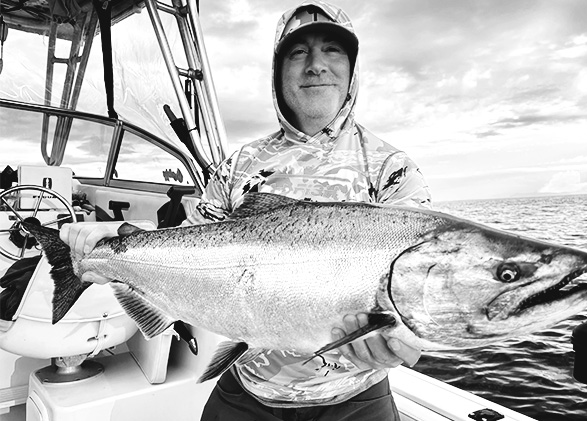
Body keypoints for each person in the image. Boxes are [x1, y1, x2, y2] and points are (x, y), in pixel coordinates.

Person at [61, 1, 432, 420]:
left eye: (332, 50)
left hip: (355, 398)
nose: (315, 65)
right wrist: (123, 245)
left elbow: (415, 291)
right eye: (298, 52)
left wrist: (409, 341)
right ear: (278, 71)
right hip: (247, 390)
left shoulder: (392, 168)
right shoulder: (239, 164)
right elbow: (188, 248)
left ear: (352, 68)